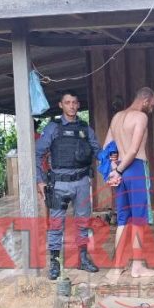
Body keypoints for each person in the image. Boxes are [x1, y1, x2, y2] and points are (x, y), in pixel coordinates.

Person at [36, 91, 101, 280]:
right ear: (61, 105)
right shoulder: (53, 128)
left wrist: (111, 160)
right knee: (56, 224)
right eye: (67, 102)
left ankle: (83, 258)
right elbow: (38, 154)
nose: (71, 106)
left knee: (83, 222)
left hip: (81, 182)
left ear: (78, 105)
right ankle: (55, 262)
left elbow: (97, 150)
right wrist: (40, 180)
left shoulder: (85, 128)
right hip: (59, 184)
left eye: (74, 102)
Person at [105, 87, 154, 279]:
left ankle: (117, 267)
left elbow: (107, 147)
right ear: (145, 100)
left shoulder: (116, 117)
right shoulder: (140, 117)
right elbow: (134, 150)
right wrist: (119, 170)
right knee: (138, 220)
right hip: (135, 168)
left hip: (120, 169)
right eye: (152, 105)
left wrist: (114, 169)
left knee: (122, 220)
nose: (151, 109)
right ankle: (137, 267)